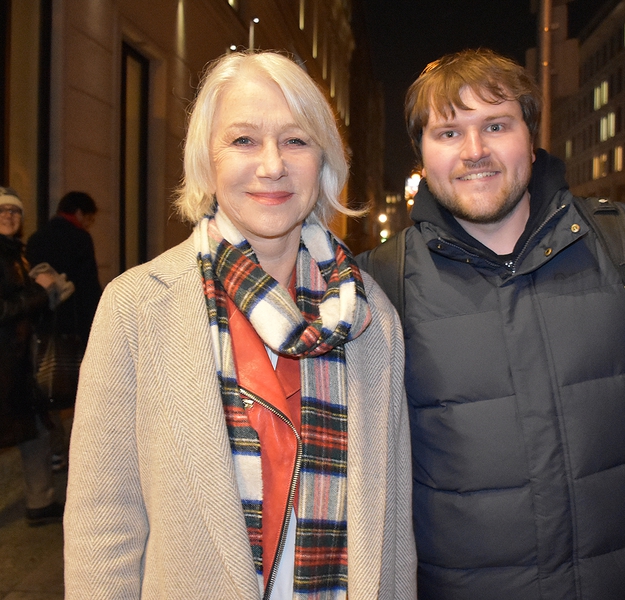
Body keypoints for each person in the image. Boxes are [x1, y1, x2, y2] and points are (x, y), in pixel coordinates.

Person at [357, 48, 625, 600]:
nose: (475, 152)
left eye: (495, 125)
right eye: (448, 133)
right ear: (422, 153)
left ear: (531, 138)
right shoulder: (379, 284)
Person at [63, 51, 415, 600]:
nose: (272, 165)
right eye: (244, 140)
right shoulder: (134, 309)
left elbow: (392, 531)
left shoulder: (372, 319)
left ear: (324, 161)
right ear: (207, 160)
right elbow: (103, 525)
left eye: (296, 140)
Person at [0, 187, 63, 526]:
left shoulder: (15, 254)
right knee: (30, 429)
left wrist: (50, 291)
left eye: (15, 212)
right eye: (3, 211)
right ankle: (40, 500)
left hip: (18, 362)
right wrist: (38, 290)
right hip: (5, 365)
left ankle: (40, 501)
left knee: (35, 429)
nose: (9, 216)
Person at [26, 191, 101, 471]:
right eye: (89, 217)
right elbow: (88, 289)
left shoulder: (35, 238)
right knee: (79, 392)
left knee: (48, 390)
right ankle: (78, 455)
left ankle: (56, 452)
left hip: (42, 327)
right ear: (80, 213)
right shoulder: (80, 238)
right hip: (72, 328)